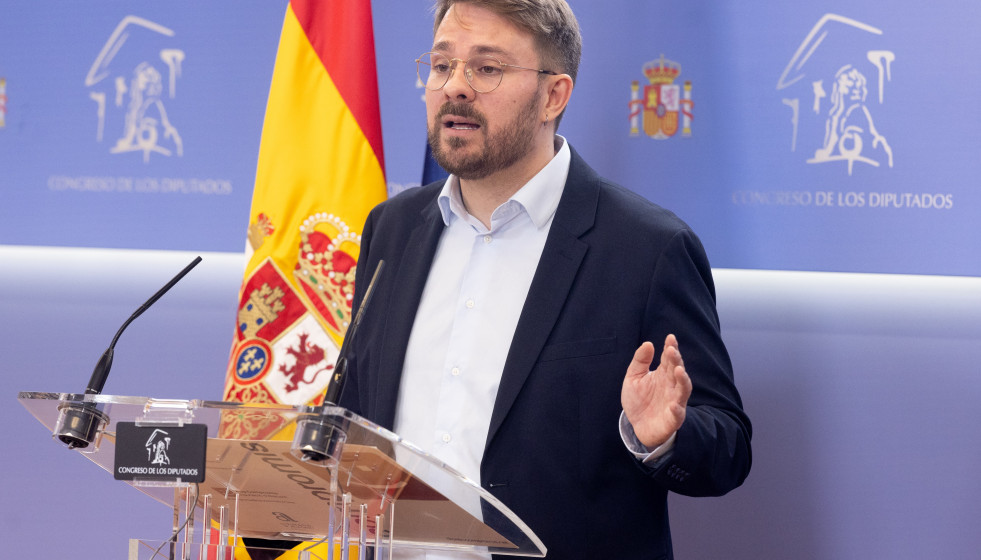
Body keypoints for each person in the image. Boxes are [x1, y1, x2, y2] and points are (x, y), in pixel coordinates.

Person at [339, 1, 752, 558]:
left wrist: (661, 438)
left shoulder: (646, 248)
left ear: (553, 96)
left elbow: (727, 447)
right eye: (441, 66)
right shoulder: (390, 230)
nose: (455, 88)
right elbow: (352, 413)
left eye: (486, 69)